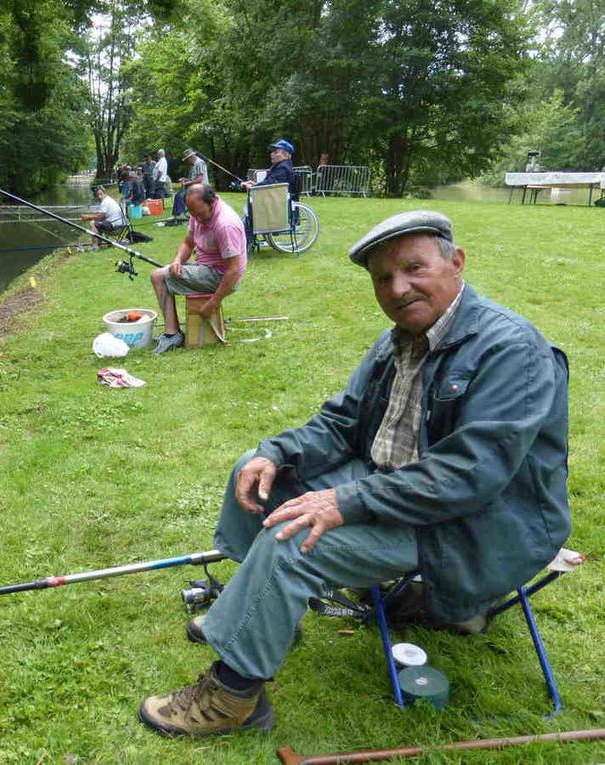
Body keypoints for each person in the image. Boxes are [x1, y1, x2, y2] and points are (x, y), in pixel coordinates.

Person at [138, 210, 571, 736]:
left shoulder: (511, 350)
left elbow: (468, 476)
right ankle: (254, 614)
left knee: (291, 538)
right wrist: (275, 452)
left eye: (414, 268)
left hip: (472, 523)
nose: (398, 287)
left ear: (456, 263)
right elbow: (343, 423)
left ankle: (234, 700)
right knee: (253, 472)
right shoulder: (400, 339)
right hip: (393, 484)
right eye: (383, 278)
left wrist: (345, 501)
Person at [149, 184, 247, 354]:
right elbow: (188, 242)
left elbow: (234, 270)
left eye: (200, 214)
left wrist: (213, 302)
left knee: (158, 276)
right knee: (166, 272)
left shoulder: (225, 224)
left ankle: (172, 335)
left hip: (221, 276)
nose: (198, 219)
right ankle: (173, 334)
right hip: (205, 267)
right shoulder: (198, 213)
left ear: (212, 202)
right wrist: (178, 260)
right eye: (193, 215)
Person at [241, 139, 299, 246]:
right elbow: (269, 183)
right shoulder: (281, 166)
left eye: (276, 152)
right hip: (273, 199)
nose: (272, 154)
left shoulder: (283, 168)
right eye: (273, 152)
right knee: (245, 219)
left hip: (275, 203)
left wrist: (252, 187)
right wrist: (254, 184)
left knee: (247, 219)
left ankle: (246, 242)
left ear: (285, 155)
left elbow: (271, 184)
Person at [172, 148, 209, 218]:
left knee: (180, 196)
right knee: (178, 195)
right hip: (194, 186)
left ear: (191, 157)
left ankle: (180, 214)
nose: (186, 161)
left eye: (187, 159)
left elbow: (199, 179)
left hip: (201, 187)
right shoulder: (192, 164)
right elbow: (193, 178)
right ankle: (178, 214)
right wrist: (185, 179)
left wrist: (187, 183)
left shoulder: (199, 163)